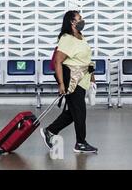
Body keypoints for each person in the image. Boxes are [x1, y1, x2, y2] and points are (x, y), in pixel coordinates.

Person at [40, 10, 98, 153]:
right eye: (80, 18)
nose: (82, 20)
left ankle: (50, 130)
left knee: (73, 112)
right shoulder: (66, 38)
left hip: (82, 79)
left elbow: (85, 59)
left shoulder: (80, 36)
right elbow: (58, 62)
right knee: (79, 111)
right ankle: (80, 143)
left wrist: (92, 76)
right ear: (72, 21)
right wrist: (61, 84)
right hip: (71, 80)